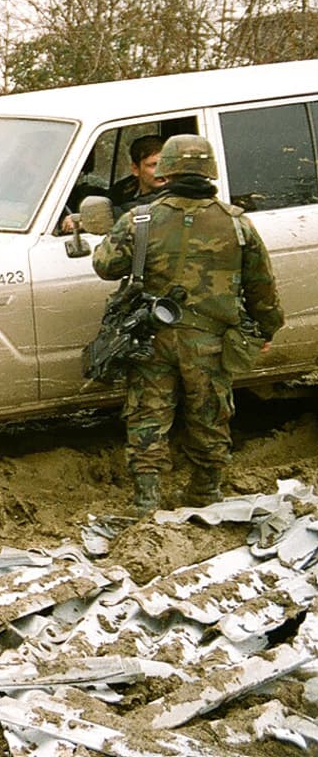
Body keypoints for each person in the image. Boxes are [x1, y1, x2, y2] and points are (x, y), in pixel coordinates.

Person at [92, 135, 283, 515]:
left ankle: (146, 501)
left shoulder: (140, 220)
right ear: (209, 171)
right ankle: (205, 494)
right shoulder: (237, 224)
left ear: (167, 171)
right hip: (212, 342)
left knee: (147, 416)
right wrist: (265, 330)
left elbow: (104, 265)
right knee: (210, 416)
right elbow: (262, 288)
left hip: (152, 338)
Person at [111, 135, 167, 218]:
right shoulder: (121, 191)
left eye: (166, 164)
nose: (162, 171)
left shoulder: (181, 193)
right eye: (153, 165)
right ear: (135, 169)